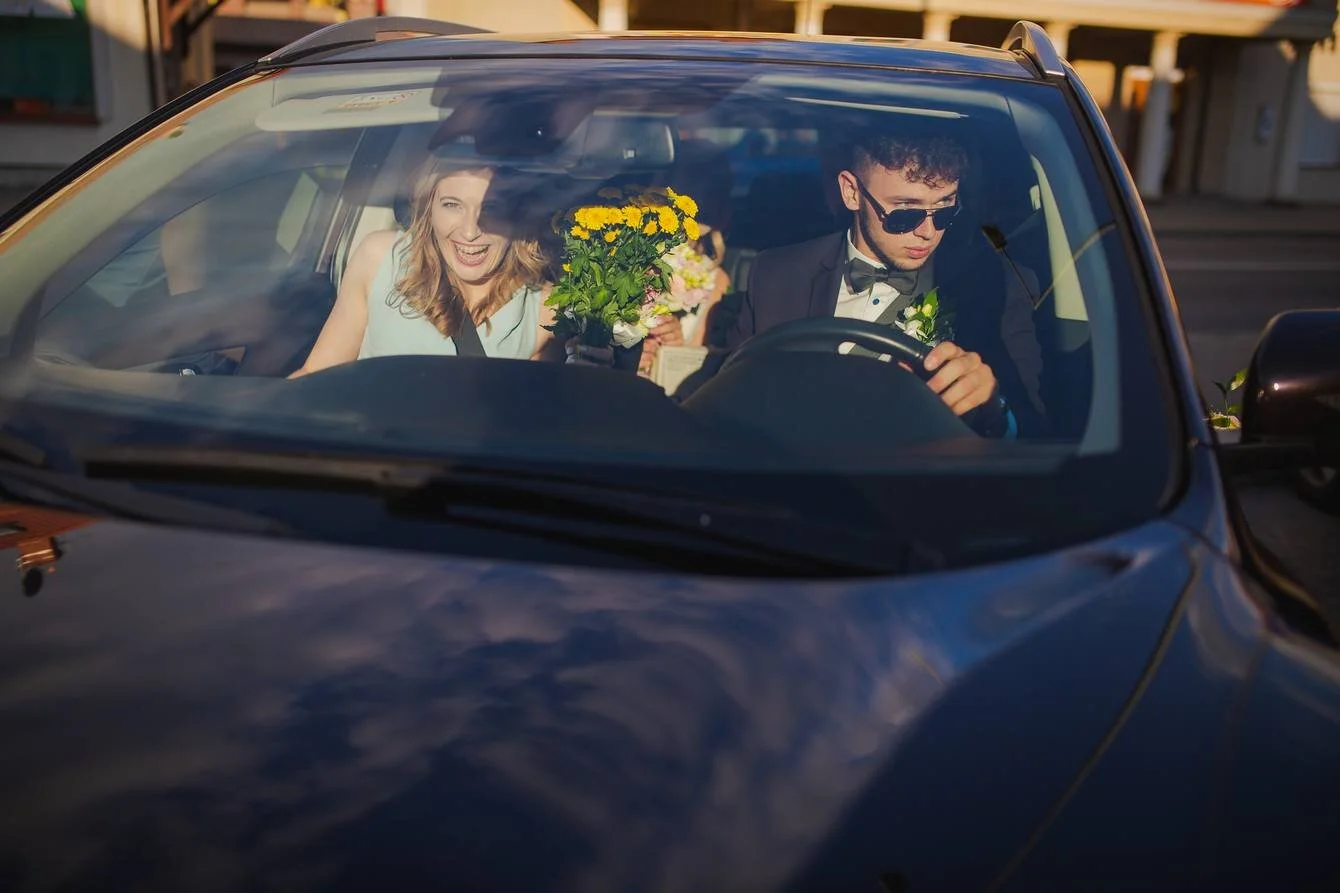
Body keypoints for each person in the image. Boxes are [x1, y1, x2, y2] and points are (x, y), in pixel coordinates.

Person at [725, 125, 1045, 437]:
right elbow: (730, 395)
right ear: (852, 192)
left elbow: (1035, 429)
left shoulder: (993, 287)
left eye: (945, 211)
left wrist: (993, 404)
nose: (928, 232)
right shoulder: (777, 274)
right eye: (905, 214)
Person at [291, 157, 559, 377]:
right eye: (452, 205)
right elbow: (316, 374)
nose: (470, 231)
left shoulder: (545, 309)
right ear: (429, 208)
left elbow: (530, 416)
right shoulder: (381, 258)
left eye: (492, 209)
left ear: (518, 216)